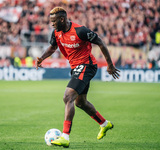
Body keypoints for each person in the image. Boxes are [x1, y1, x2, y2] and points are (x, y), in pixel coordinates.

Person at [36, 7, 120, 148]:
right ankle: (105, 124)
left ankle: (65, 137)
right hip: (76, 68)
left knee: (68, 96)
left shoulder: (81, 31)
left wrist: (110, 65)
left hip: (87, 65)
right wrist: (41, 58)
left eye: (54, 21)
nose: (52, 24)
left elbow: (101, 43)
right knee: (80, 103)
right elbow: (52, 47)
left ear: (62, 19)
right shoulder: (56, 32)